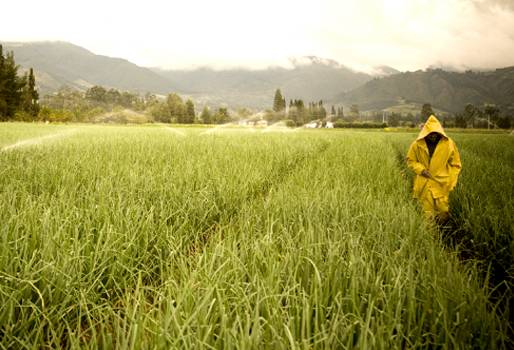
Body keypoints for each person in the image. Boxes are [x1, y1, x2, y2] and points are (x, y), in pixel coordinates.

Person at [406, 115, 462, 223]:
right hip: (423, 184)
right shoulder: (417, 144)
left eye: (435, 134)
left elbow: (456, 164)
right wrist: (421, 169)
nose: (433, 136)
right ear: (425, 133)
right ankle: (430, 236)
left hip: (441, 184)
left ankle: (442, 233)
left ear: (439, 132)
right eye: (430, 134)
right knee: (427, 216)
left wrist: (450, 180)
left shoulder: (449, 144)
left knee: (443, 213)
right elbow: (410, 160)